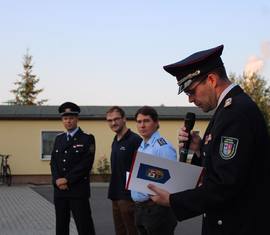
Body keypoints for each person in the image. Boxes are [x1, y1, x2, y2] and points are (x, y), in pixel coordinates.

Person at [148, 45, 270, 235]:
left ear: (211, 80)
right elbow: (222, 168)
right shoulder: (228, 109)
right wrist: (199, 149)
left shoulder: (235, 112)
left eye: (191, 91)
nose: (190, 99)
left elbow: (225, 184)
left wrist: (173, 200)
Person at [50, 102, 96, 235]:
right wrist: (57, 180)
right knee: (61, 227)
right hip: (60, 192)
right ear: (62, 120)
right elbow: (54, 162)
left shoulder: (87, 138)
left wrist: (67, 180)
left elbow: (86, 164)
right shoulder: (59, 139)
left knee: (84, 226)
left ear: (77, 119)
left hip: (78, 191)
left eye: (71, 118)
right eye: (65, 118)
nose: (68, 121)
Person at [131, 106, 177, 235]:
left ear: (156, 123)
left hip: (157, 210)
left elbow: (172, 180)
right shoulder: (142, 146)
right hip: (141, 209)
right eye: (139, 122)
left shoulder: (162, 147)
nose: (142, 125)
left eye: (146, 121)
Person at [106, 106, 142, 235]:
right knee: (120, 231)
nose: (113, 123)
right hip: (115, 195)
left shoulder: (135, 140)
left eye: (116, 119)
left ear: (124, 119)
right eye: (109, 120)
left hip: (128, 197)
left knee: (132, 231)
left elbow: (140, 170)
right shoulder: (115, 140)